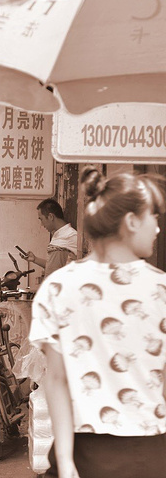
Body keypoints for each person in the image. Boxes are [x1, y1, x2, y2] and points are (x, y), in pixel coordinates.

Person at [29, 166, 166, 478]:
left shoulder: (58, 287)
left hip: (86, 452)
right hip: (153, 451)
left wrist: (65, 461)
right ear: (131, 221)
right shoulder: (161, 289)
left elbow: (57, 381)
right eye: (153, 218)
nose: (158, 228)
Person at [24, 199, 78, 277]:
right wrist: (35, 259)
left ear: (50, 216)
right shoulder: (57, 235)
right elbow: (53, 267)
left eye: (41, 219)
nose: (42, 224)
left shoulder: (71, 235)